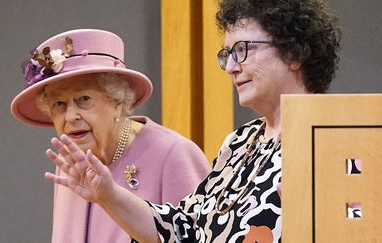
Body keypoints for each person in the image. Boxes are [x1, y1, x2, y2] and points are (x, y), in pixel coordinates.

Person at [43, 0, 342, 242]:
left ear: (293, 52)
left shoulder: (336, 137)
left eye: (242, 50)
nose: (231, 68)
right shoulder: (240, 143)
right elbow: (184, 229)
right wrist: (109, 196)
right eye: (227, 54)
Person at [10, 29, 210, 242]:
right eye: (59, 104)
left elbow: (202, 237)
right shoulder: (69, 161)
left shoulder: (174, 155)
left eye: (84, 99)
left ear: (117, 100)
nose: (70, 116)